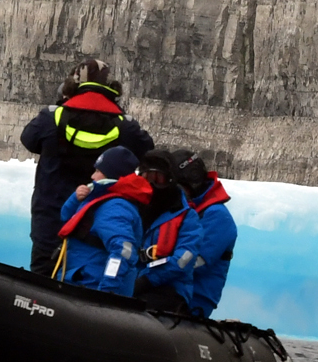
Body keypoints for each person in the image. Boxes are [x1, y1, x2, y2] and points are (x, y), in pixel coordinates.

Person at [21, 60, 155, 271]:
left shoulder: (52, 117)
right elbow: (146, 152)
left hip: (50, 213)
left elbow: (29, 140)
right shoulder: (125, 126)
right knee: (88, 276)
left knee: (43, 273)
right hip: (100, 217)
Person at [136, 150, 237, 318]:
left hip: (192, 298)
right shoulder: (171, 210)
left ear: (191, 183)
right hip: (157, 287)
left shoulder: (217, 217)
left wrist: (147, 276)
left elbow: (193, 262)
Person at [53, 144, 152, 295]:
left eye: (98, 171)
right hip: (78, 280)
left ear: (111, 175)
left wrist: (106, 292)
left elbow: (124, 251)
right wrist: (75, 199)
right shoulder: (100, 198)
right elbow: (66, 217)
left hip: (90, 287)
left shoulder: (115, 207)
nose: (93, 176)